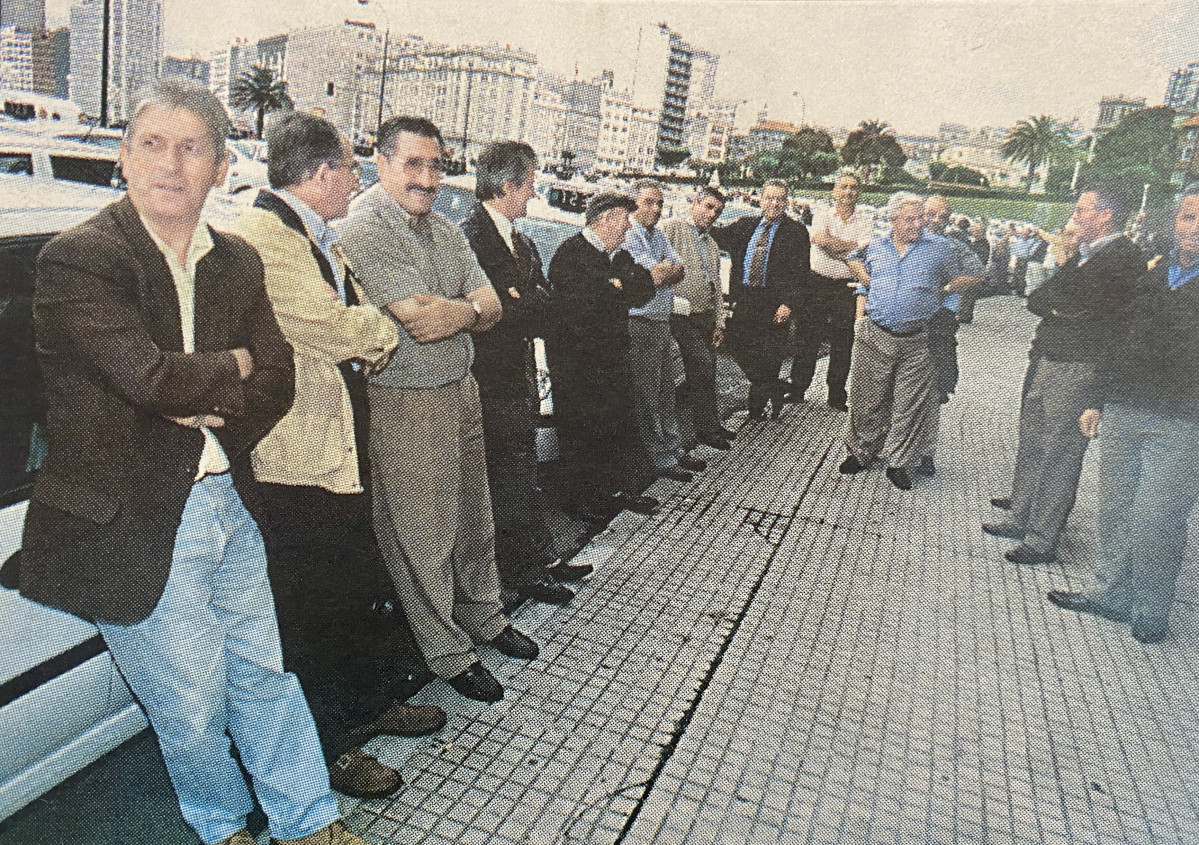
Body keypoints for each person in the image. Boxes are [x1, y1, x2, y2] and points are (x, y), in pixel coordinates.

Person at [15, 78, 367, 845]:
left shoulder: (236, 260)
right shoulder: (82, 259)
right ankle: (221, 825)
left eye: (192, 147)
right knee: (193, 700)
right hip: (134, 512)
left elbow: (276, 379)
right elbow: (144, 377)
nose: (171, 164)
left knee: (263, 675)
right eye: (152, 144)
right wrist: (230, 363)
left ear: (217, 167)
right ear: (123, 157)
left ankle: (309, 821)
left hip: (223, 498)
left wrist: (210, 387)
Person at [226, 111, 446, 800]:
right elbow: (336, 326)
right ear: (320, 173)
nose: (356, 178)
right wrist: (379, 328)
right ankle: (329, 748)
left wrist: (364, 325)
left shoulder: (310, 234)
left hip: (335, 450)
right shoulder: (265, 235)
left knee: (353, 593)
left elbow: (346, 316)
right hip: (295, 463)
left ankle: (366, 702)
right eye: (351, 166)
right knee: (312, 613)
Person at [337, 116, 538, 706]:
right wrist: (464, 311)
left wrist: (460, 311)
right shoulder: (364, 230)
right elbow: (420, 323)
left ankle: (485, 615)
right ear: (381, 163)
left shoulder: (445, 230)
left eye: (436, 165)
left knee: (476, 516)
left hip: (461, 387)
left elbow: (492, 304)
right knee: (422, 533)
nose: (427, 179)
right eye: (413, 165)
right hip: (406, 399)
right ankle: (447, 651)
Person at [1046, 189, 1199, 644]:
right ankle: (1113, 593)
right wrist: (1095, 399)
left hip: (1179, 422)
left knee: (1159, 516)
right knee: (1114, 508)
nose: (1191, 227)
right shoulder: (1154, 273)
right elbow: (1120, 340)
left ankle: (1152, 606)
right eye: (1188, 217)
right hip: (1124, 409)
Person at [984, 184, 1144, 565]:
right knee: (1034, 439)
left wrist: (1062, 308)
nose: (1076, 214)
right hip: (1051, 358)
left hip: (1079, 366)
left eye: (1083, 209)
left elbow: (1097, 313)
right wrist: (1062, 308)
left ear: (1105, 214)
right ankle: (1021, 515)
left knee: (1060, 452)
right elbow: (1039, 298)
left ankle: (1042, 538)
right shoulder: (1086, 256)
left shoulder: (1123, 258)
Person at [459, 140, 586, 608]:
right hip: (488, 379)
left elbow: (539, 303)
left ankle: (536, 560)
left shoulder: (522, 239)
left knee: (520, 470)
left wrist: (520, 300)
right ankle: (518, 572)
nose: (533, 195)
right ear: (508, 185)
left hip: (516, 375)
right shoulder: (470, 236)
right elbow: (500, 309)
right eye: (530, 186)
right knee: (502, 478)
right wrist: (520, 301)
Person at [838, 192, 974, 491]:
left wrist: (946, 288)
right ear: (893, 221)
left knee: (909, 404)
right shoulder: (876, 245)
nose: (919, 224)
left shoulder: (940, 247)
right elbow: (851, 259)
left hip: (916, 340)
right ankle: (861, 452)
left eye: (920, 218)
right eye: (910, 219)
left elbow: (975, 274)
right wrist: (868, 281)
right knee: (866, 399)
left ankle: (899, 462)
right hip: (875, 334)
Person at [545, 191, 659, 520]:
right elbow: (584, 309)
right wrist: (616, 288)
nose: (627, 229)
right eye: (624, 221)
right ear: (606, 219)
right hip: (579, 365)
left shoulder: (617, 257)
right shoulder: (571, 254)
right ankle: (581, 503)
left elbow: (643, 289)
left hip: (611, 361)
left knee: (613, 430)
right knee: (582, 434)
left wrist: (617, 286)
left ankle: (611, 493)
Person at [623, 179, 706, 482]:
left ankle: (673, 448)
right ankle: (659, 458)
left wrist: (665, 270)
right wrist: (664, 270)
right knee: (647, 393)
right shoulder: (629, 236)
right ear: (634, 203)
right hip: (640, 322)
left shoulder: (657, 236)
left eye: (659, 203)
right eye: (649, 202)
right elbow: (655, 276)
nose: (656, 209)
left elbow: (678, 268)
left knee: (666, 391)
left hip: (661, 321)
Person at [711, 179, 810, 419]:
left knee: (770, 355)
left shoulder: (796, 232)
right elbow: (716, 234)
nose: (774, 203)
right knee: (737, 343)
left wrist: (789, 304)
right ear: (761, 200)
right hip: (745, 298)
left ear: (786, 202)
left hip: (775, 302)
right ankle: (772, 387)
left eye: (779, 199)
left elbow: (801, 272)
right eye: (769, 198)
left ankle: (756, 410)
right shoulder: (745, 225)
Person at [787, 172, 873, 411]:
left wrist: (834, 246)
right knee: (807, 336)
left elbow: (862, 252)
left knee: (843, 341)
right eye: (843, 187)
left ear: (859, 192)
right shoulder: (822, 214)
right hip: (817, 283)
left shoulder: (865, 221)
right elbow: (819, 240)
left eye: (853, 187)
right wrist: (851, 251)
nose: (848, 192)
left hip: (846, 288)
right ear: (834, 191)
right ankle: (797, 388)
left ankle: (836, 394)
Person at [662, 186, 736, 449]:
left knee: (708, 370)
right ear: (694, 203)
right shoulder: (672, 229)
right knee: (701, 365)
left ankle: (711, 425)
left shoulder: (712, 244)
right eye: (708, 207)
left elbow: (715, 283)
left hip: (704, 315)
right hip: (680, 314)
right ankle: (703, 429)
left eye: (717, 210)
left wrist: (719, 321)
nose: (712, 214)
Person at [919, 195, 984, 476]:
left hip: (940, 324)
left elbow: (979, 274)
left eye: (942, 217)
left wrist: (944, 288)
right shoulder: (906, 241)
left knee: (934, 389)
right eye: (930, 214)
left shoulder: (956, 246)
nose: (935, 221)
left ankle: (924, 452)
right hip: (906, 320)